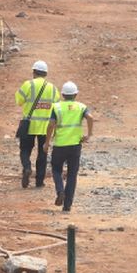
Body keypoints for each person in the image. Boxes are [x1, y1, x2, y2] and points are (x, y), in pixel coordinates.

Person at [46, 81, 93, 213]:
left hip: (60, 145)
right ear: (76, 94)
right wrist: (89, 134)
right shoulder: (81, 107)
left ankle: (60, 191)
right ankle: (67, 205)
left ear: (63, 94)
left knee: (56, 170)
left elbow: (51, 125)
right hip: (75, 145)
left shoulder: (57, 107)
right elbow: (90, 117)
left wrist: (46, 142)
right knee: (72, 174)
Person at [15, 60, 59, 189]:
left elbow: (19, 101)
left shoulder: (28, 85)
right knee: (43, 153)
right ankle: (39, 181)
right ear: (46, 73)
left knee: (25, 150)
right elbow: (57, 107)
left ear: (34, 72)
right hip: (46, 127)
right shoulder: (52, 88)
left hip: (29, 124)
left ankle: (27, 168)